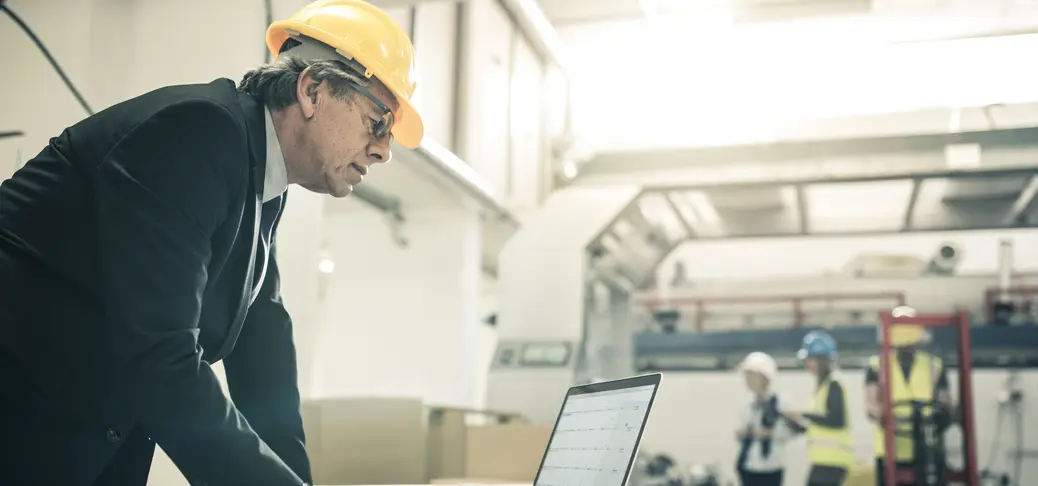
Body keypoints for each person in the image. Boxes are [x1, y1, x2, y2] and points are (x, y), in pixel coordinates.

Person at [0, 1, 424, 485]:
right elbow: (160, 356)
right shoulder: (197, 132)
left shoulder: (263, 188)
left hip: (82, 440)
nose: (384, 151)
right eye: (379, 122)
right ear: (313, 90)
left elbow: (263, 360)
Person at [865, 306, 954, 486]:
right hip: (890, 451)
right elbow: (871, 405)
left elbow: (946, 401)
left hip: (926, 449)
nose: (906, 346)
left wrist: (944, 413)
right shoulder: (877, 365)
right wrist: (883, 416)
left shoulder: (933, 365)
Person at [784, 330, 853, 486]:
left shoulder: (834, 385)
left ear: (823, 360)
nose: (807, 364)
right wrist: (795, 423)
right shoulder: (822, 388)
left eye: (810, 359)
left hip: (834, 460)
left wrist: (804, 415)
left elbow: (836, 419)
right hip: (823, 460)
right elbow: (818, 424)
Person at [735, 352, 796, 486]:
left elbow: (791, 431)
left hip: (771, 466)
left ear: (764, 377)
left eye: (751, 377)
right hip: (749, 465)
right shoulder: (748, 406)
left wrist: (769, 433)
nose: (748, 381)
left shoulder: (780, 403)